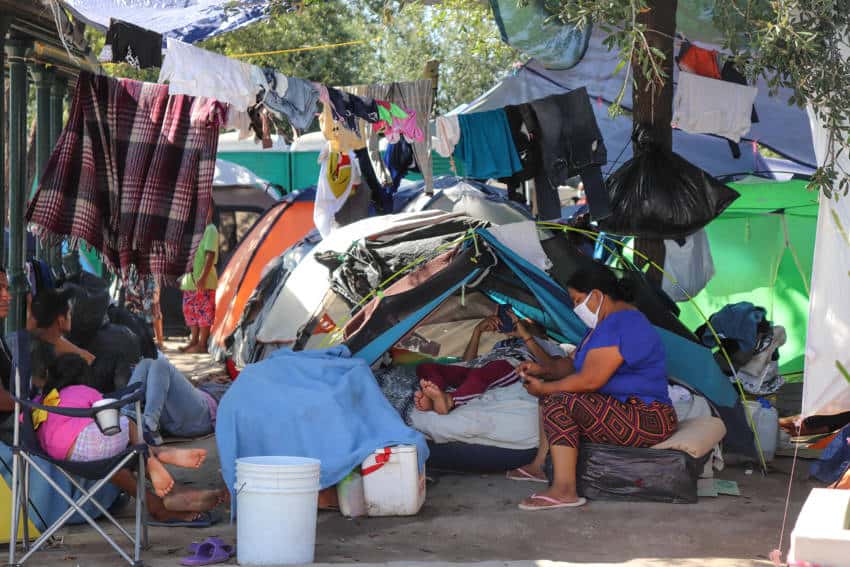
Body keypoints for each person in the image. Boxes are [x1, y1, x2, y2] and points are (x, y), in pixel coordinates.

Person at [510, 266, 677, 510]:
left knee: (558, 399)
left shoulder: (623, 322)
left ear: (597, 296)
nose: (576, 308)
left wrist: (546, 389)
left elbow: (590, 380)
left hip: (647, 417)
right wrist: (541, 371)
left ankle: (564, 490)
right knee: (553, 394)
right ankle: (539, 467)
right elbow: (569, 366)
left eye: (578, 300)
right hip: (626, 412)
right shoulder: (600, 328)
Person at [29, 342, 224, 524]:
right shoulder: (83, 390)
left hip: (67, 458)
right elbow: (105, 411)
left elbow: (25, 419)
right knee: (126, 424)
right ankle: (154, 457)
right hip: (92, 449)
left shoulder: (41, 401)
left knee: (113, 458)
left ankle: (165, 495)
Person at [414, 308, 564, 415]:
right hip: (481, 365)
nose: (518, 325)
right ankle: (435, 395)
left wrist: (526, 336)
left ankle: (450, 401)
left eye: (526, 324)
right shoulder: (501, 344)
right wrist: (477, 332)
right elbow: (467, 363)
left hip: (511, 364)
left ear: (541, 331)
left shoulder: (549, 344)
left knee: (481, 375)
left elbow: (551, 368)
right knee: (425, 367)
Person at [122, 356, 229, 445]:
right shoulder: (210, 383)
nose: (214, 375)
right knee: (146, 362)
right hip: (177, 414)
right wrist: (204, 381)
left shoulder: (236, 387)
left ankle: (150, 425)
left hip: (205, 415)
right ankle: (123, 417)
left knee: (161, 363)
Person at [179, 208, 219, 354]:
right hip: (190, 280)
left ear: (211, 212)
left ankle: (202, 345)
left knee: (204, 312)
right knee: (190, 311)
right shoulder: (193, 231)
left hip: (204, 280)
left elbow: (210, 255)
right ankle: (194, 341)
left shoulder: (210, 230)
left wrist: (202, 277)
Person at [29, 287, 95, 365]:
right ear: (61, 320)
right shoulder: (47, 352)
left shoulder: (38, 336)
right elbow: (89, 358)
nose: (71, 317)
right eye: (69, 313)